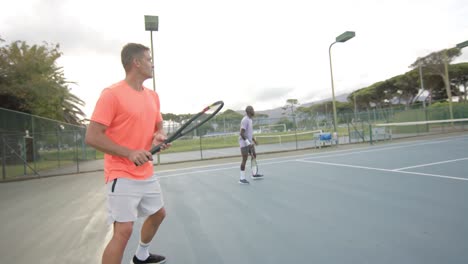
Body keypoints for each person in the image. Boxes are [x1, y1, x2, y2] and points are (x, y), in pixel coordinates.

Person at [85, 43, 169, 264]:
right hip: (121, 173)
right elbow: (92, 136)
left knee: (159, 214)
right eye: (149, 59)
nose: (152, 63)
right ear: (136, 62)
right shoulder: (112, 95)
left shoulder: (153, 96)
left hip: (146, 173)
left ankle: (141, 256)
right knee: (123, 230)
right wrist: (129, 153)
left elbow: (158, 125)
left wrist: (158, 135)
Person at [238, 105, 263, 184]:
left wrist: (254, 140)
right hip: (244, 143)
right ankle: (242, 179)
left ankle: (254, 174)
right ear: (248, 111)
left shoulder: (250, 120)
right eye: (252, 109)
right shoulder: (245, 120)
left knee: (254, 156)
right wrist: (248, 143)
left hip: (250, 143)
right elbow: (241, 133)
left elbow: (249, 133)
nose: (253, 110)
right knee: (244, 160)